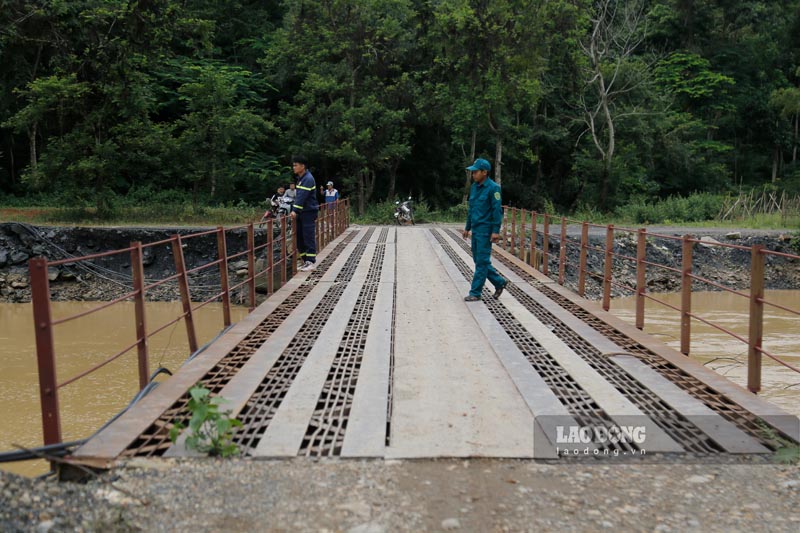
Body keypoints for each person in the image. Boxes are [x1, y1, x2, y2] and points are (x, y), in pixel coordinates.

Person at [461, 158, 508, 301]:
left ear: (484, 172)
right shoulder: (475, 187)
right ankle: (499, 282)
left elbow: (497, 211)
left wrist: (495, 231)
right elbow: (472, 209)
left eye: (475, 172)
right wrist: (467, 227)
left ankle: (475, 293)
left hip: (486, 231)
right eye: (472, 172)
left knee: (481, 262)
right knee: (479, 260)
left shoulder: (493, 188)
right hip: (476, 229)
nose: (473, 174)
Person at [290, 155, 319, 271]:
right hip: (302, 212)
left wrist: (294, 210)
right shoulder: (301, 178)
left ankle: (310, 261)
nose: (294, 167)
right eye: (293, 165)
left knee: (308, 235)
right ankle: (305, 261)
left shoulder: (308, 178)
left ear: (303, 166)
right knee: (299, 237)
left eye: (296, 165)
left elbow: (302, 196)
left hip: (308, 212)